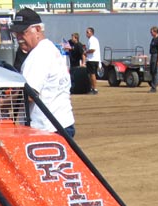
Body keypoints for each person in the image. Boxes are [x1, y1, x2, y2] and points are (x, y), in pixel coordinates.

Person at [9, 8, 75, 138]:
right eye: (17, 33)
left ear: (38, 29)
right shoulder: (50, 48)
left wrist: (2, 102)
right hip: (61, 123)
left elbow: (30, 95)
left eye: (23, 32)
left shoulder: (38, 55)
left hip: (45, 129)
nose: (19, 38)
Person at [85, 27, 100, 95]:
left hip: (92, 60)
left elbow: (92, 50)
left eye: (87, 32)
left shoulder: (92, 40)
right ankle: (92, 88)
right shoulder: (93, 39)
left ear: (91, 32)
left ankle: (94, 89)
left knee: (92, 74)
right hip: (93, 59)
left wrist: (85, 52)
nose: (86, 34)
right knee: (91, 74)